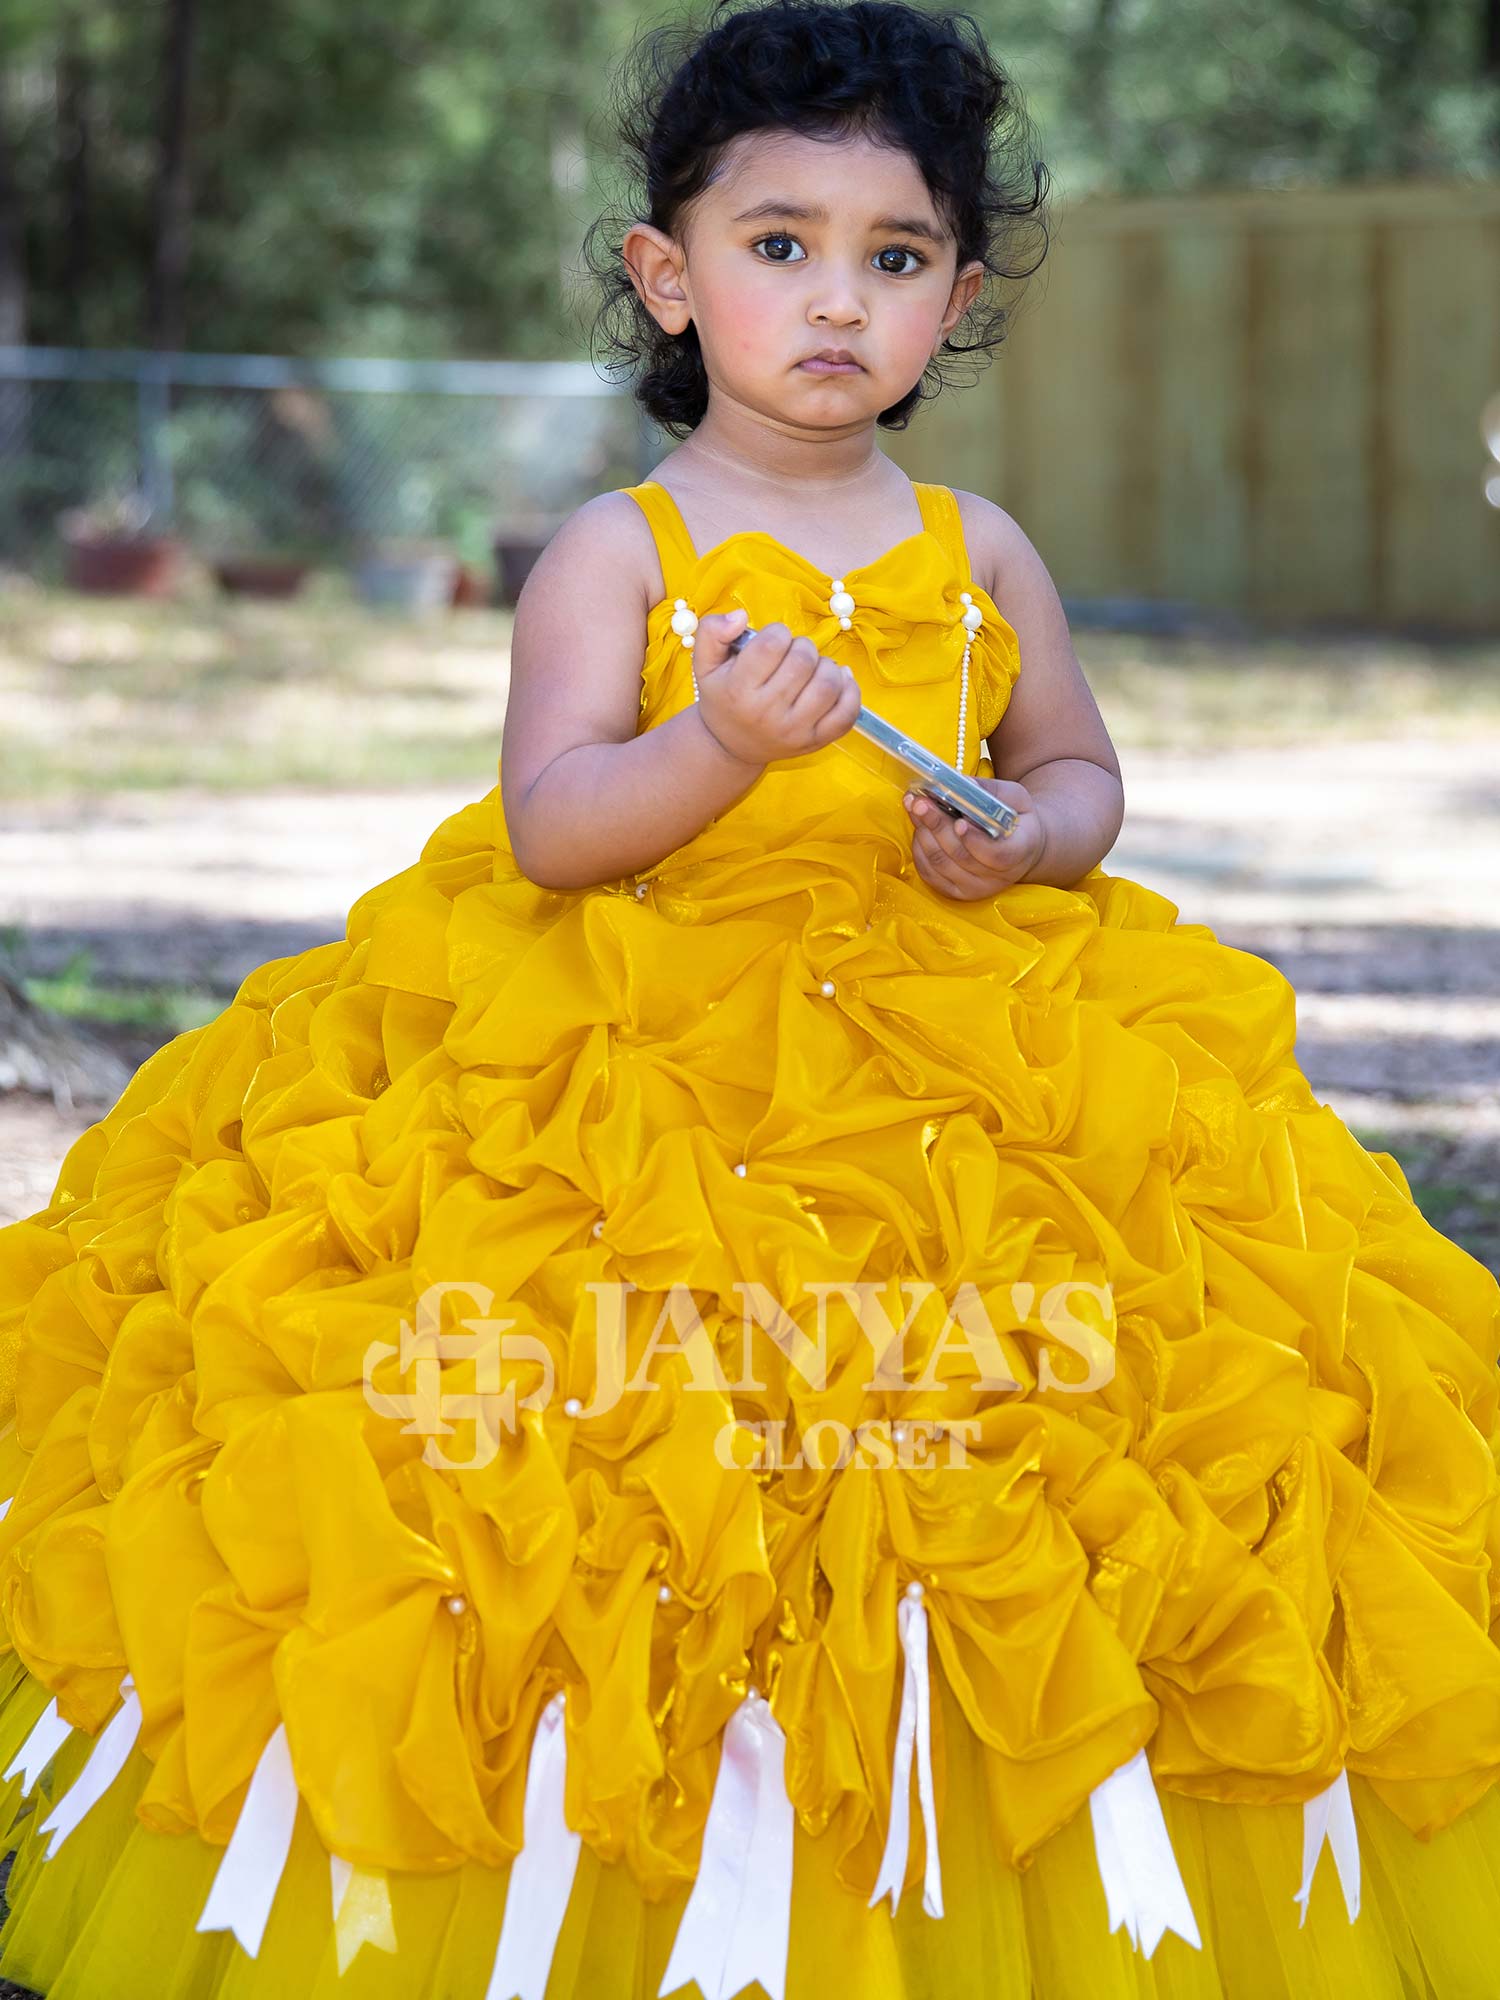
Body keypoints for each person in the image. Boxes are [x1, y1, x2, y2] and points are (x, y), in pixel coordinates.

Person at [1, 1, 1497, 1995]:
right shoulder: (619, 557)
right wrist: (712, 744)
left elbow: (1081, 774)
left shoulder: (986, 555)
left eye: (893, 259)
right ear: (669, 276)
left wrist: (1024, 840)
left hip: (965, 1042)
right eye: (778, 244)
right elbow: (552, 825)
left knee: (1044, 1436)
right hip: (633, 1029)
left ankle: (1012, 1850)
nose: (834, 301)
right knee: (603, 1447)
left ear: (956, 297)